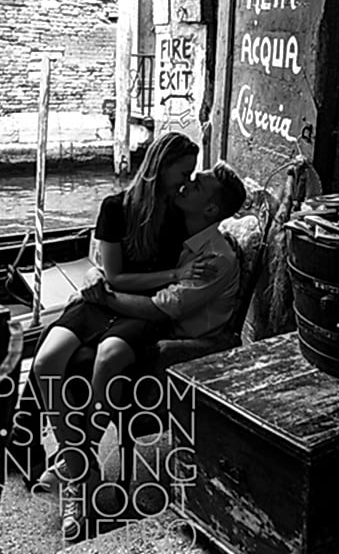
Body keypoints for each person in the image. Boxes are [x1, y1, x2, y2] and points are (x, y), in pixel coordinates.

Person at [55, 161, 247, 538]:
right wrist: (100, 275)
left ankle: (76, 462)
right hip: (151, 329)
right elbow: (125, 263)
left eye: (196, 183)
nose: (185, 184)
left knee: (92, 353)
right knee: (59, 355)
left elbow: (158, 306)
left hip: (176, 351)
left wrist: (105, 293)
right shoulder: (175, 229)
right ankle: (71, 458)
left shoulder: (214, 259)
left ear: (210, 210)